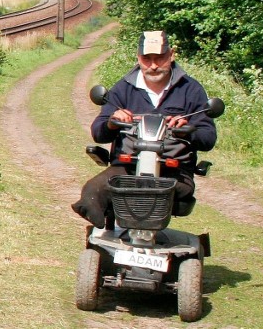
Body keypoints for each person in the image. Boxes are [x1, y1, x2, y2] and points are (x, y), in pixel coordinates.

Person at [71, 30, 218, 229]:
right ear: (138, 57)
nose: (154, 65)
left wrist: (189, 130)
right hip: (127, 168)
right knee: (92, 191)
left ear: (171, 54)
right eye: (147, 59)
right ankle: (103, 235)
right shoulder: (123, 89)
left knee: (162, 192)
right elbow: (98, 132)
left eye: (160, 58)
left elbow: (208, 138)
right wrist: (112, 122)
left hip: (174, 170)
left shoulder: (190, 89)